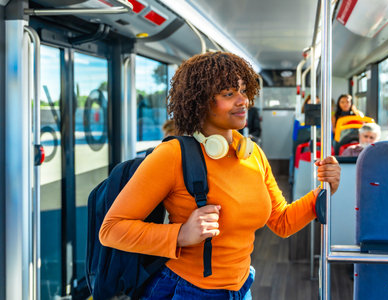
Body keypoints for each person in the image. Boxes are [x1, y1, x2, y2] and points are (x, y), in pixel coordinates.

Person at [99, 51, 341, 299]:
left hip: (242, 285)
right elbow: (111, 230)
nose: (243, 101)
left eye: (243, 91)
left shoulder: (253, 153)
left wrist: (324, 189)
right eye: (229, 94)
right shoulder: (172, 155)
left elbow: (282, 222)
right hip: (187, 290)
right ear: (200, 101)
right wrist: (181, 235)